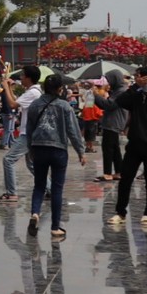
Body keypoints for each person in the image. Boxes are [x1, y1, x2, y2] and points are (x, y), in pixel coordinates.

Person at [24, 74, 86, 240]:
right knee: (57, 189)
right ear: (60, 89)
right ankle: (55, 227)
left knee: (39, 186)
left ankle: (35, 213)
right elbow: (73, 130)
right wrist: (80, 151)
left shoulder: (35, 105)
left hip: (39, 148)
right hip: (58, 149)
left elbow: (29, 129)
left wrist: (30, 148)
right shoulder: (64, 106)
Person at [112, 65, 147, 226]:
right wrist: (135, 86)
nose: (141, 79)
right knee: (125, 178)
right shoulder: (136, 96)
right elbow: (119, 101)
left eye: (143, 77)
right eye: (138, 77)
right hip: (134, 145)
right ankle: (120, 212)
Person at [0, 64, 42, 203]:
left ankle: (12, 193)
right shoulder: (32, 91)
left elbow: (12, 105)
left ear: (29, 78)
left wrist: (5, 87)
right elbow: (17, 101)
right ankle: (50, 189)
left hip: (27, 133)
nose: (20, 78)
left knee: (8, 159)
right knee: (32, 165)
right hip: (30, 131)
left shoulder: (33, 93)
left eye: (22, 75)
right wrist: (9, 88)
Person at [95, 74, 128, 180]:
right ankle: (119, 171)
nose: (109, 83)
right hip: (113, 121)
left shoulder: (121, 92)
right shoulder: (118, 91)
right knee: (114, 149)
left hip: (113, 122)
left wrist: (96, 95)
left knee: (108, 148)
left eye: (110, 80)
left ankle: (107, 173)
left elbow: (109, 105)